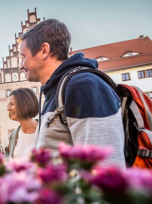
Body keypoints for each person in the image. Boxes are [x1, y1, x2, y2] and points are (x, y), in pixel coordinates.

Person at [18, 19, 125, 167]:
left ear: (44, 50)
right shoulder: (54, 91)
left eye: (23, 57)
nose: (20, 66)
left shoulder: (84, 86)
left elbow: (105, 167)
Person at [7, 88, 39, 158]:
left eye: (12, 104)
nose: (8, 108)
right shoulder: (12, 136)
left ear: (24, 105)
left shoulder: (46, 130)